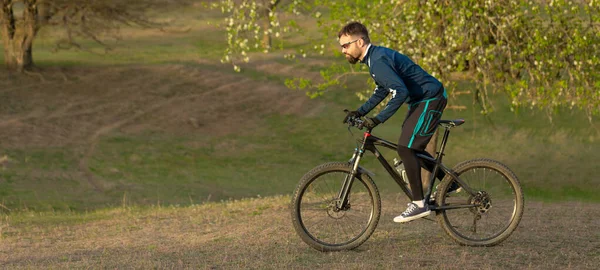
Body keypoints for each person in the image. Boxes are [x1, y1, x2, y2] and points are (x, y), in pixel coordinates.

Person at [339, 21, 448, 223]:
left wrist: (377, 119)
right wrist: (360, 111)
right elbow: (382, 90)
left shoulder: (378, 60)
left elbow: (400, 92)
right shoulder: (374, 59)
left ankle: (419, 204)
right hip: (420, 100)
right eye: (341, 46)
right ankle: (449, 184)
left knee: (406, 148)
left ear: (360, 42)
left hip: (430, 97)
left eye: (346, 45)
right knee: (409, 147)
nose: (343, 50)